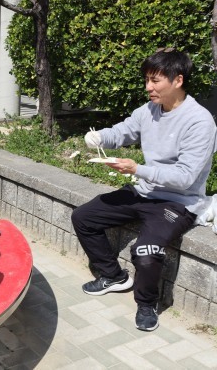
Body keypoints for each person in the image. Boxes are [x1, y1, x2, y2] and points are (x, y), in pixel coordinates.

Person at [72, 49, 217, 332]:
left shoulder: (199, 122)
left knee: (146, 251)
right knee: (84, 217)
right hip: (143, 192)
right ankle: (113, 276)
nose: (148, 87)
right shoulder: (148, 110)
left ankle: (147, 303)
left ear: (178, 80)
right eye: (147, 80)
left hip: (178, 202)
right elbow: (124, 131)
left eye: (155, 80)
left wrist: (137, 169)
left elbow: (185, 178)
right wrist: (99, 137)